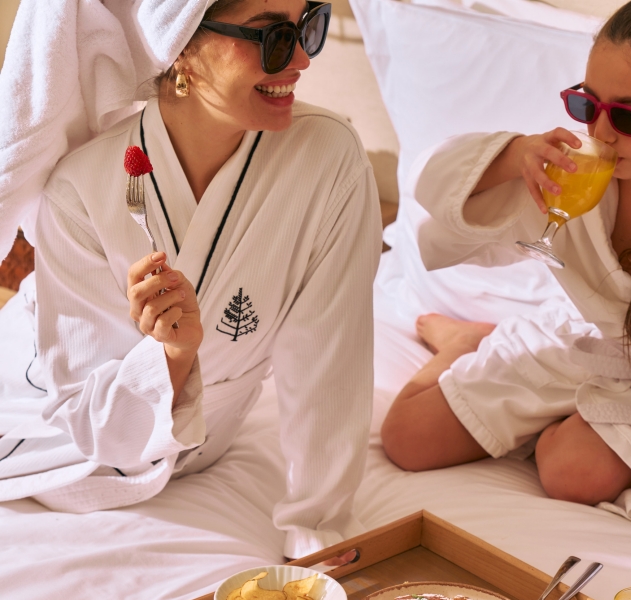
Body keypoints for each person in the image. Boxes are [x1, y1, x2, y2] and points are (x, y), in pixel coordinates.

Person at [0, 0, 381, 558]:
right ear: (181, 47)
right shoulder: (82, 189)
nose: (301, 59)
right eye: (271, 36)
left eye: (308, 26)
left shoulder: (328, 158)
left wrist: (317, 528)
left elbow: (331, 358)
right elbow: (91, 422)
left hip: (205, 443)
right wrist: (172, 356)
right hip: (47, 425)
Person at [381, 0, 631, 558]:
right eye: (586, 104)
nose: (600, 131)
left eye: (628, 118)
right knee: (406, 438)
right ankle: (465, 341)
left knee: (572, 470)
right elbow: (434, 191)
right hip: (593, 344)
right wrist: (513, 155)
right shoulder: (573, 174)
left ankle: (562, 417)